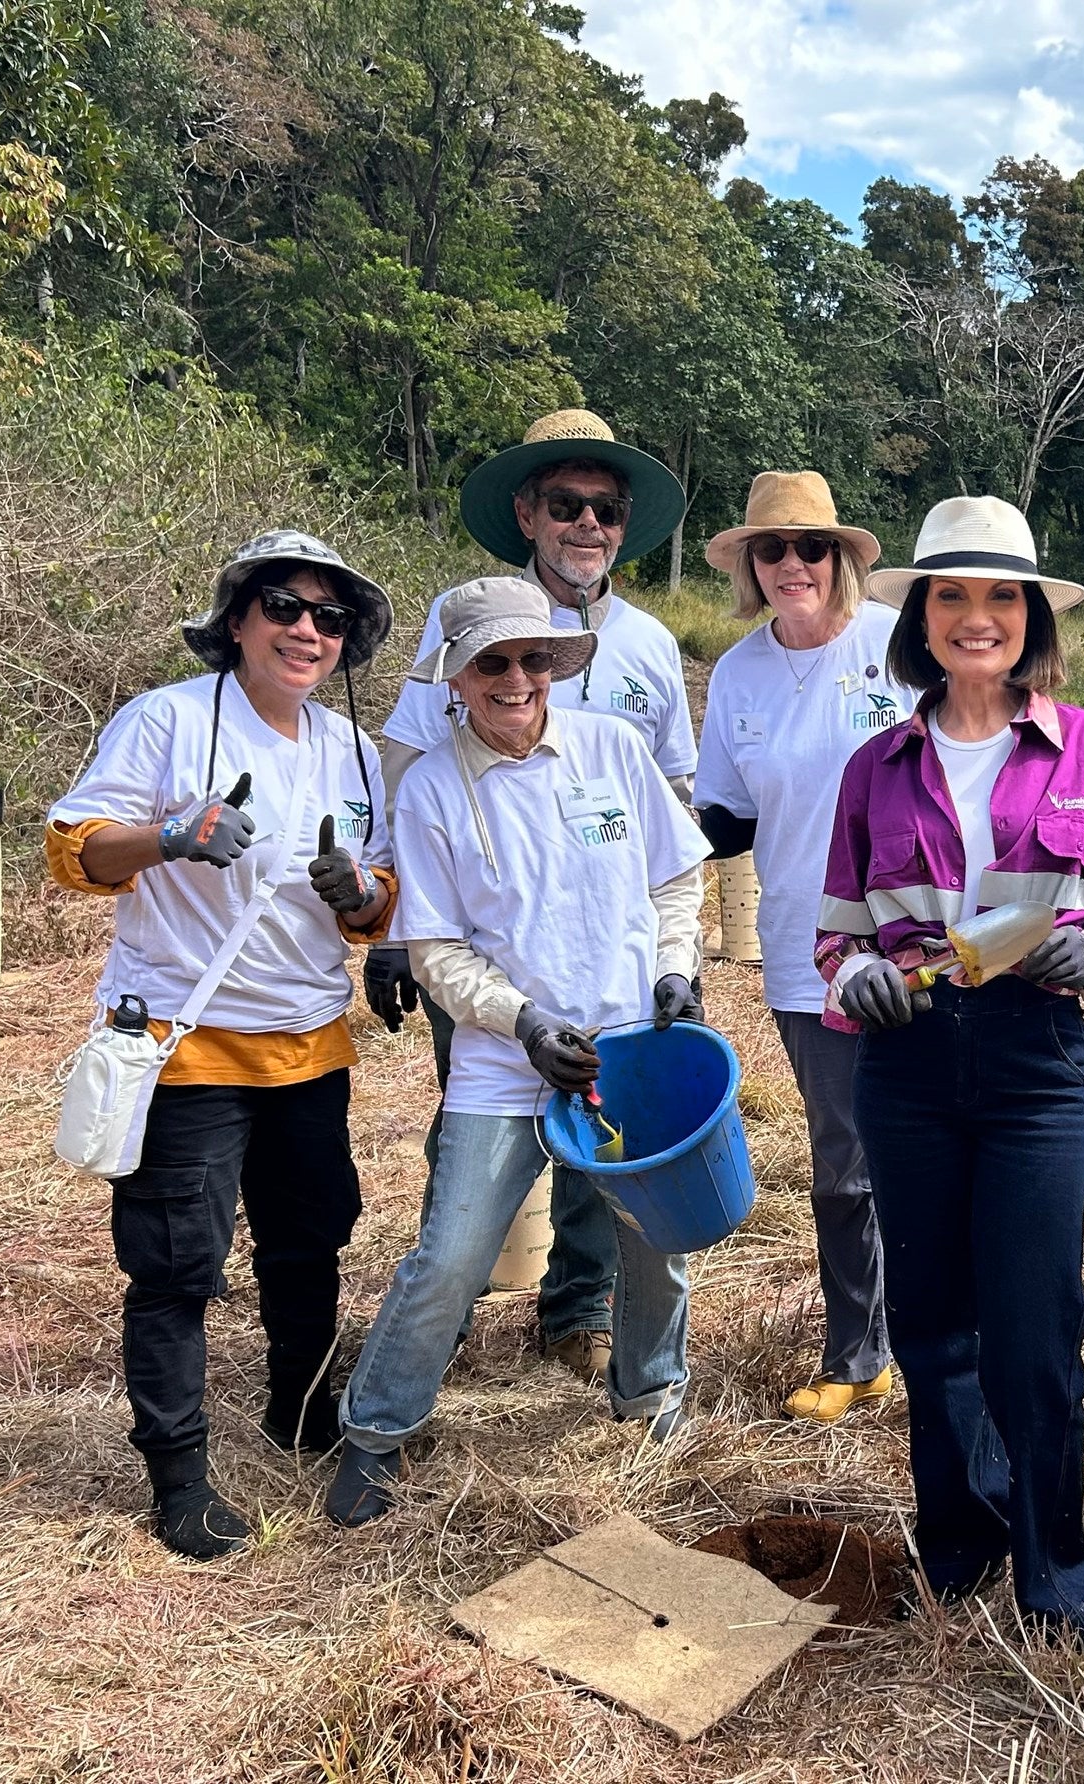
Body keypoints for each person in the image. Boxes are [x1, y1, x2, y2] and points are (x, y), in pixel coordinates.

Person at [816, 495, 1084, 1646]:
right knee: (931, 1319)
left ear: (1028, 617)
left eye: (998, 595)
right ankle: (956, 1537)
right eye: (950, 595)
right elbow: (838, 925)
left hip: (1033, 1059)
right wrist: (854, 970)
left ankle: (1053, 1562)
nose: (976, 617)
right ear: (919, 616)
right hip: (906, 1061)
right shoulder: (875, 764)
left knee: (1035, 1322)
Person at [328, 577, 710, 1527]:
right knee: (452, 1255)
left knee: (656, 1243)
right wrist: (524, 1023)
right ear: (455, 678)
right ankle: (376, 1431)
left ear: (555, 666)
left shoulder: (613, 750)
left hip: (630, 1050)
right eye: (492, 662)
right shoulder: (430, 790)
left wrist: (676, 971)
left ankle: (650, 1393)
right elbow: (439, 952)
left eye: (533, 659)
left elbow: (674, 883)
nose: (516, 678)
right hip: (506, 1064)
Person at [46, 531, 397, 1559]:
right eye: (284, 607)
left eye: (328, 618)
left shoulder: (354, 750)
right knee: (175, 1264)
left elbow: (378, 898)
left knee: (310, 1239)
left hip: (310, 1042)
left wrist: (358, 895)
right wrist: (169, 835)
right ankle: (180, 1475)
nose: (305, 630)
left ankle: (300, 1407)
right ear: (238, 619)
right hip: (185, 1041)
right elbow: (75, 848)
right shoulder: (164, 720)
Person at [368, 409, 696, 1387]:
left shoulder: (645, 644)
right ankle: (451, 1307)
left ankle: (578, 1308)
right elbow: (403, 760)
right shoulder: (460, 619)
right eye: (565, 504)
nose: (585, 524)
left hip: (610, 932)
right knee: (481, 1114)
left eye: (604, 508)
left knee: (609, 1134)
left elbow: (672, 792)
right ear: (527, 512)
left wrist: (668, 954)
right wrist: (394, 923)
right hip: (478, 929)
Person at [695, 472, 916, 1423]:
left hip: (921, 945)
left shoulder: (900, 651)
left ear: (843, 559)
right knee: (843, 1160)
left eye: (811, 548)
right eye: (773, 550)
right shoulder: (738, 673)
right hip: (804, 948)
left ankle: (949, 1335)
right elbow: (723, 821)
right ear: (751, 564)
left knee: (938, 1142)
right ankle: (858, 1350)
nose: (793, 565)